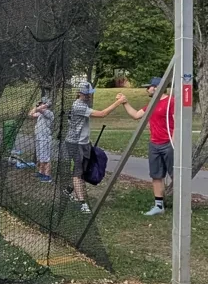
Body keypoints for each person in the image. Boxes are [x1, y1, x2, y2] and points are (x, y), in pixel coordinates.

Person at [117, 77, 175, 216]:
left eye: (148, 87)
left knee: (176, 176)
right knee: (156, 176)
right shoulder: (152, 104)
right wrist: (125, 102)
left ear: (156, 88)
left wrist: (174, 143)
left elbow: (178, 122)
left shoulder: (171, 102)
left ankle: (183, 206)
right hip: (154, 144)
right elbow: (136, 115)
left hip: (169, 144)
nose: (146, 89)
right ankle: (158, 206)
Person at [65, 82, 124, 213]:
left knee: (84, 170)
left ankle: (70, 190)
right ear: (80, 93)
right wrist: (119, 102)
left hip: (84, 142)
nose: (89, 96)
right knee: (78, 171)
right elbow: (102, 114)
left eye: (90, 94)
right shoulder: (78, 105)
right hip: (75, 143)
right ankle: (81, 202)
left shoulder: (84, 104)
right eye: (87, 94)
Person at [29, 97, 54, 183]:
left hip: (45, 139)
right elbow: (31, 114)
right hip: (39, 138)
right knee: (41, 157)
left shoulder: (48, 113)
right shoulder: (40, 114)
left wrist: (45, 105)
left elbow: (38, 110)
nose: (39, 105)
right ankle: (41, 173)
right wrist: (39, 106)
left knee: (46, 158)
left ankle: (48, 176)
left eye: (41, 103)